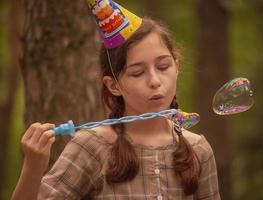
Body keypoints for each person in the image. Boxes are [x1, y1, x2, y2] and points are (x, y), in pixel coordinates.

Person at [11, 1, 220, 199]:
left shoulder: (198, 149)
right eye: (138, 73)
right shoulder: (91, 145)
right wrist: (34, 166)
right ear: (114, 86)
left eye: (163, 67)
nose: (155, 81)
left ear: (177, 67)